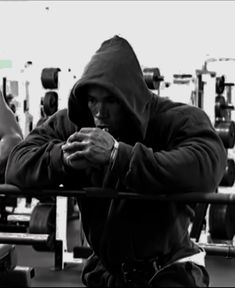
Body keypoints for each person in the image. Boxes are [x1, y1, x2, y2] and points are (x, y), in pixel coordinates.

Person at [5, 35, 227, 287]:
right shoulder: (77, 123)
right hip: (108, 271)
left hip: (167, 270)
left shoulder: (177, 119)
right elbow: (17, 163)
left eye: (110, 100)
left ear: (129, 96)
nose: (99, 112)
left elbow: (207, 165)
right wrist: (64, 158)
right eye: (92, 100)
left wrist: (117, 156)